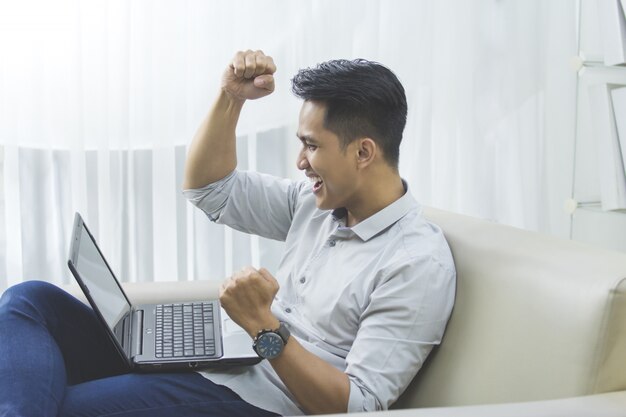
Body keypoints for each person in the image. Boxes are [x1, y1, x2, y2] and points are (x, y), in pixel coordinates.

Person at [0, 50, 455, 417]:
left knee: (61, 404)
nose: (300, 162)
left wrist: (263, 324)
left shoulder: (414, 263)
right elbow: (209, 189)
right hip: (227, 358)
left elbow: (355, 406)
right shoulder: (319, 206)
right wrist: (230, 98)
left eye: (311, 145)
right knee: (29, 300)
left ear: (363, 152)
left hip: (260, 399)